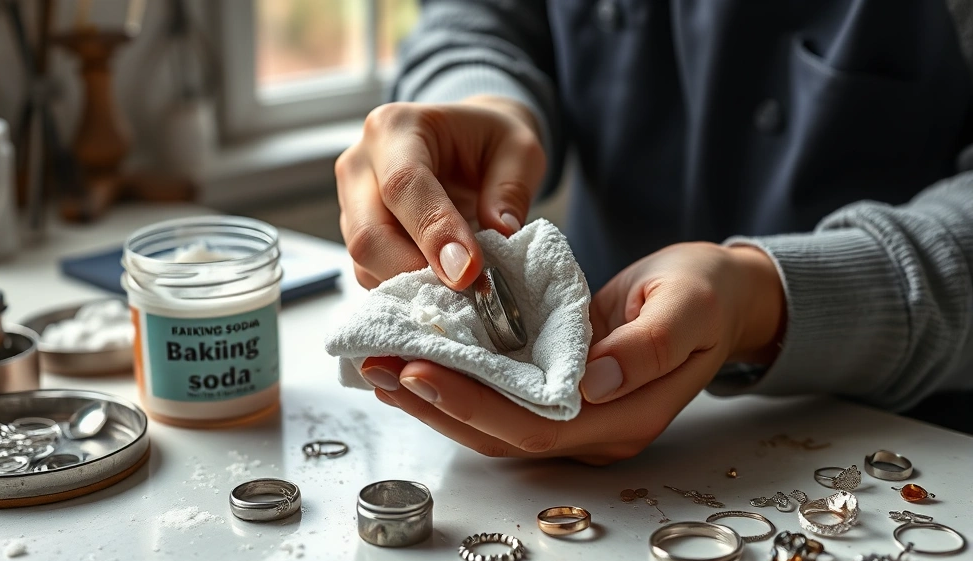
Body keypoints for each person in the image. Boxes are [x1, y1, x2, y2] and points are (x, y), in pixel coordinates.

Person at [334, 0, 973, 464]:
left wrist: (759, 297)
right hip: (593, 396)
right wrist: (477, 103)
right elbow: (482, 18)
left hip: (901, 440)